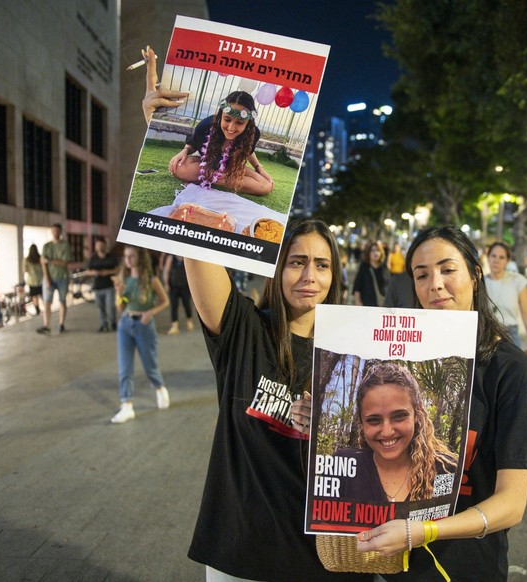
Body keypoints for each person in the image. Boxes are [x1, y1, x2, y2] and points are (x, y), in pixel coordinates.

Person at [143, 46, 368, 581]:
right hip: (239, 554)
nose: (308, 276)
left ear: (335, 275)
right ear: (275, 268)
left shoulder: (356, 351)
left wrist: (341, 426)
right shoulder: (243, 327)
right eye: (295, 263)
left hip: (324, 558)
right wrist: (149, 120)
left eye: (321, 265)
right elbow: (193, 245)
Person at [352, 226, 527, 581]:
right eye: (422, 274)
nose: (435, 284)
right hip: (387, 563)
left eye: (447, 269)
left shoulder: (513, 372)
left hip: (466, 567)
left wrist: (423, 531)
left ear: (475, 274)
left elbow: (511, 505)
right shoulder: (394, 364)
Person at [337, 362, 457, 504]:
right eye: (374, 420)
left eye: (399, 416)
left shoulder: (445, 470)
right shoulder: (343, 466)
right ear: (361, 423)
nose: (387, 432)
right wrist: (304, 435)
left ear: (417, 414)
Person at [168, 90, 274, 196]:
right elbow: (193, 144)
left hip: (232, 168)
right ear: (221, 115)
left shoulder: (252, 133)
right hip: (207, 165)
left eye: (239, 122)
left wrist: (258, 168)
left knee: (265, 186)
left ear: (248, 123)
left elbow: (249, 151)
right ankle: (220, 179)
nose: (231, 128)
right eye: (227, 120)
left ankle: (215, 179)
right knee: (177, 167)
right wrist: (184, 151)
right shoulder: (205, 126)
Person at [110, 246, 171, 424]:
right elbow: (120, 307)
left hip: (144, 325)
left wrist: (150, 312)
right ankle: (127, 405)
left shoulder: (151, 280)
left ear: (140, 258)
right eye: (125, 256)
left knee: (150, 364)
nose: (127, 260)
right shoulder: (125, 279)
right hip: (125, 324)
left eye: (131, 256)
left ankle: (160, 388)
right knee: (125, 367)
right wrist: (118, 293)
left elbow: (165, 301)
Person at [484, 241, 527, 360]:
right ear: (487, 257)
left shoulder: (517, 280)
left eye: (501, 257)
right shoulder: (480, 282)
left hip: (510, 335)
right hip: (486, 335)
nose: (496, 260)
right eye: (493, 256)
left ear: (507, 261)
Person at [38, 223, 72, 335]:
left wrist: (50, 261)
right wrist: (46, 278)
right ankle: (46, 325)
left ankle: (61, 323)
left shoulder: (65, 246)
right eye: (53, 231)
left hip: (62, 277)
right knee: (47, 301)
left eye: (57, 231)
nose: (55, 233)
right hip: (49, 277)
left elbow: (64, 262)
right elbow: (43, 262)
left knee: (62, 301)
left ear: (60, 232)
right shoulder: (46, 246)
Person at [83, 237, 119, 332]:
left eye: (101, 245)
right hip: (98, 286)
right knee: (100, 307)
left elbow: (117, 270)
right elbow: (87, 271)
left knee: (110, 306)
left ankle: (113, 323)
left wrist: (106, 272)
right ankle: (103, 324)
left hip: (109, 285)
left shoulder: (111, 257)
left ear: (105, 246)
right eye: (98, 245)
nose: (99, 247)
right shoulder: (93, 258)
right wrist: (94, 273)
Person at [163, 254, 195, 335]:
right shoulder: (171, 257)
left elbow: (192, 272)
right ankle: (174, 325)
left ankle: (189, 321)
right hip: (174, 286)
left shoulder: (187, 258)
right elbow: (166, 270)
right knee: (174, 306)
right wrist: (166, 283)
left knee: (187, 304)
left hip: (185, 285)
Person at [353, 240, 388, 307]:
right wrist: (358, 303)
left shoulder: (384, 268)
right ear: (368, 253)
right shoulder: (364, 268)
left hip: (382, 306)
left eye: (378, 250)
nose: (375, 253)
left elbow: (389, 287)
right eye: (373, 250)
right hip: (366, 306)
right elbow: (357, 288)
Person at [23, 244, 43, 316]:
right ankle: (46, 306)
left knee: (34, 296)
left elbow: (25, 270)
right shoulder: (40, 258)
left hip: (32, 281)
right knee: (42, 294)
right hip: (41, 279)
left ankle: (37, 309)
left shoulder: (27, 259)